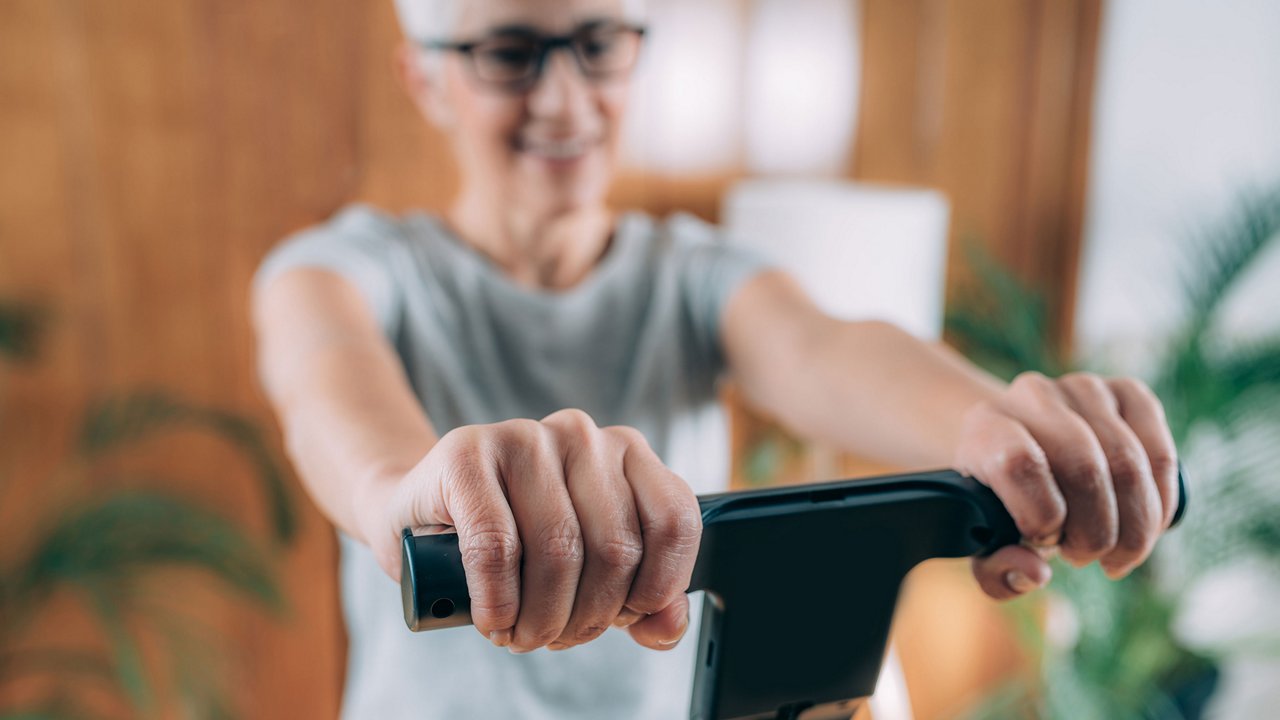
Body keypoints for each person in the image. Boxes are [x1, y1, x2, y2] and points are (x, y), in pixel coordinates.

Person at [250, 0, 1181, 717]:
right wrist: (392, 496)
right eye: (508, 54)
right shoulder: (344, 266)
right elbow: (325, 378)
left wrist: (997, 429)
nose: (567, 99)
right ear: (423, 78)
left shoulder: (694, 271)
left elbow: (822, 347)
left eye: (600, 44)